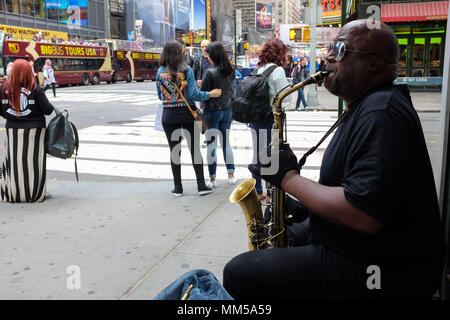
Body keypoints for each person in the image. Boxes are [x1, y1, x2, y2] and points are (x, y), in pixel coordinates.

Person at [223, 19, 444, 299]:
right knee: (289, 237)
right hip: (368, 249)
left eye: (339, 50)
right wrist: (306, 208)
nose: (327, 56)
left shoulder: (381, 113)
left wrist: (288, 179)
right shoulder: (369, 105)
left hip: (385, 269)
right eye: (329, 47)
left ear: (374, 64)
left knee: (241, 272)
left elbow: (364, 214)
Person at [156, 40, 222, 197]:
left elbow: (160, 96)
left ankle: (178, 188)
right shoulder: (187, 70)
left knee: (174, 151)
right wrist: (210, 94)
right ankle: (201, 186)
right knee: (195, 150)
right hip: (187, 114)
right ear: (179, 53)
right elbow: (193, 95)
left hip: (168, 116)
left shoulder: (160, 72)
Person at [0, 59, 54, 202]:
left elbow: (2, 112)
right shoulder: (35, 88)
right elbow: (48, 110)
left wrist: (13, 115)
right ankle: (35, 193)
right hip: (34, 132)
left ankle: (14, 192)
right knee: (34, 163)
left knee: (14, 163)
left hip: (12, 132)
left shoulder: (4, 88)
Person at [249, 38, 290, 201]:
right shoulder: (278, 71)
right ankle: (272, 193)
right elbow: (286, 97)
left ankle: (257, 191)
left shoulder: (258, 69)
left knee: (257, 155)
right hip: (271, 119)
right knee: (272, 156)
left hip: (254, 118)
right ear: (280, 53)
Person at [200, 42, 237, 188]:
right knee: (226, 143)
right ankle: (231, 174)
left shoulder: (209, 72)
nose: (207, 58)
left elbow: (202, 95)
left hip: (212, 112)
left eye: (208, 55)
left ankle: (213, 179)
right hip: (227, 110)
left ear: (213, 55)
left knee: (211, 145)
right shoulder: (230, 70)